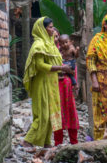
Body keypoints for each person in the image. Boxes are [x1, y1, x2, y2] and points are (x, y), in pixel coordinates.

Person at [22, 17, 73, 148]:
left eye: (52, 27)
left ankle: (46, 142)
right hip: (41, 83)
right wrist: (61, 68)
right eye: (50, 27)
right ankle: (28, 141)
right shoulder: (38, 44)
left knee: (51, 113)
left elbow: (55, 62)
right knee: (42, 115)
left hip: (52, 82)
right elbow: (40, 65)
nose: (52, 30)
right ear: (42, 29)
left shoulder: (50, 44)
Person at [54, 34, 80, 146]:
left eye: (56, 36)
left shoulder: (70, 50)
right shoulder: (52, 50)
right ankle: (57, 142)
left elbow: (74, 70)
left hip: (68, 87)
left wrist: (75, 84)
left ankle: (74, 141)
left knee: (70, 110)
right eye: (54, 37)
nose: (55, 39)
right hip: (55, 87)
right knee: (57, 113)